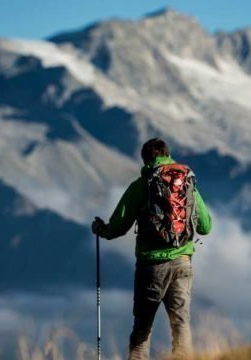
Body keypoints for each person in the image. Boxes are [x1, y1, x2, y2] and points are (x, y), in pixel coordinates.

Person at [92, 138, 212, 359]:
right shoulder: (187, 184)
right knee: (181, 324)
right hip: (182, 264)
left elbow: (117, 228)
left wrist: (100, 229)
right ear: (167, 155)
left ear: (146, 159)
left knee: (142, 332)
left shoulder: (141, 186)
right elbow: (206, 226)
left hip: (151, 268)